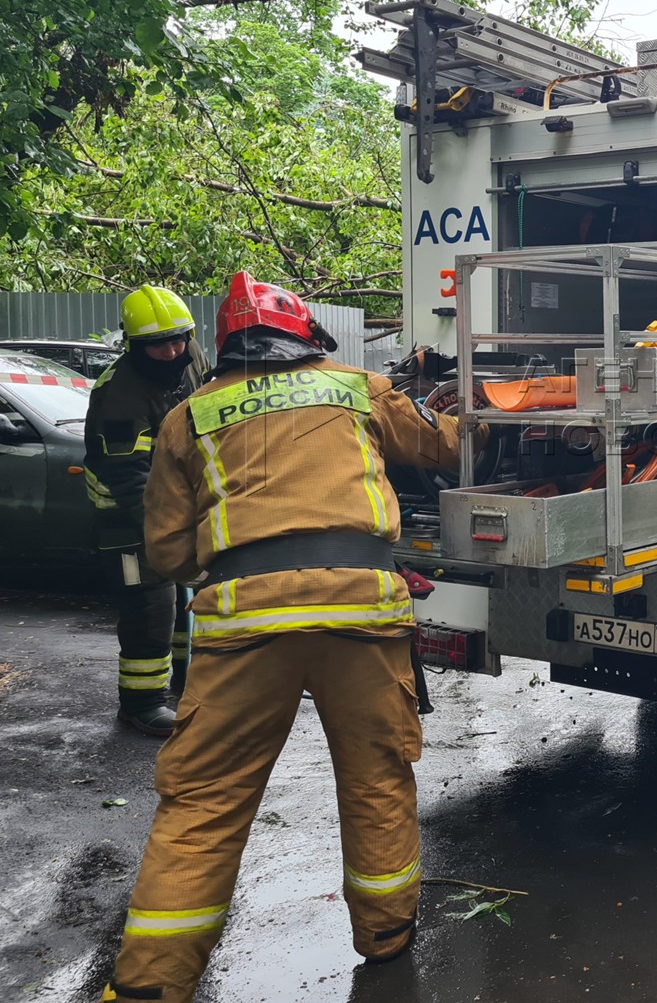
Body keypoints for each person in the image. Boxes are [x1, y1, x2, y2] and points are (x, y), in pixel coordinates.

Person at [102, 272, 460, 1003]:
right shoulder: (357, 386)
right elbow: (443, 449)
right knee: (375, 776)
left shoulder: (187, 416)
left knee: (203, 800)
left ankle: (150, 984)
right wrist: (458, 411)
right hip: (361, 614)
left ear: (224, 346)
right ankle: (385, 936)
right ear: (304, 336)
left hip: (244, 627)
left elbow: (167, 555)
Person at [83, 285, 208, 736]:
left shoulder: (189, 357)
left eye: (180, 337)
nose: (174, 349)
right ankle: (140, 703)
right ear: (134, 345)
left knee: (179, 601)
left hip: (174, 509)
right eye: (160, 344)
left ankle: (181, 684)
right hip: (128, 519)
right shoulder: (121, 395)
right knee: (149, 605)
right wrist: (162, 531)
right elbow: (127, 476)